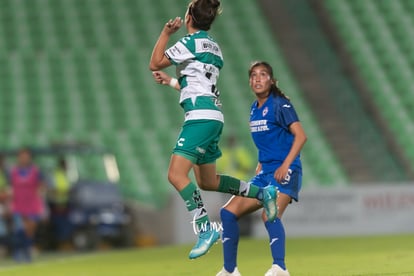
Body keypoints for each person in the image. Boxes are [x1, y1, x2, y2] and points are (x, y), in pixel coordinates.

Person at [149, 0, 277, 259]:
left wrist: (165, 33)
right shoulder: (215, 48)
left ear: (188, 18)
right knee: (208, 182)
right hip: (213, 115)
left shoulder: (189, 43)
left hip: (199, 117)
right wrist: (174, 82)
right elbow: (199, 84)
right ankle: (262, 193)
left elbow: (155, 62)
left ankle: (205, 229)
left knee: (175, 175)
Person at [216, 61, 307, 276]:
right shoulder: (253, 109)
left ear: (271, 81)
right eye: (254, 75)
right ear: (249, 81)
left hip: (286, 171)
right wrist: (260, 161)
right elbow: (268, 140)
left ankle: (280, 268)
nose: (257, 78)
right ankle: (230, 271)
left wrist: (285, 165)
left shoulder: (280, 104)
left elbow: (301, 136)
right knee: (227, 213)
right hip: (265, 172)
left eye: (263, 74)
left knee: (269, 215)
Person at [10, 148, 46, 262]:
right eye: (22, 156)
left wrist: (41, 191)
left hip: (32, 204)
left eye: (26, 156)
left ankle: (27, 250)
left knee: (29, 230)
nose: (24, 158)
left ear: (29, 158)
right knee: (19, 229)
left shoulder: (36, 171)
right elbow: (10, 186)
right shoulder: (14, 171)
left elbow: (42, 184)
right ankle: (18, 251)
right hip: (18, 204)